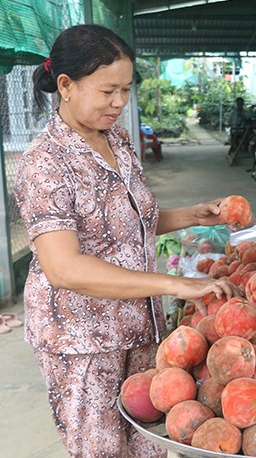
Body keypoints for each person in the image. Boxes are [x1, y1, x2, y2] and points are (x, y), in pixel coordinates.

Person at [15, 24, 243, 458]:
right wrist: (176, 284)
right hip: (83, 342)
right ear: (66, 85)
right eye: (107, 91)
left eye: (125, 89)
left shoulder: (116, 141)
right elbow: (64, 268)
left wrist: (194, 214)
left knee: (150, 445)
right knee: (103, 451)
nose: (119, 102)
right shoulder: (44, 164)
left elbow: (127, 225)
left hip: (141, 328)